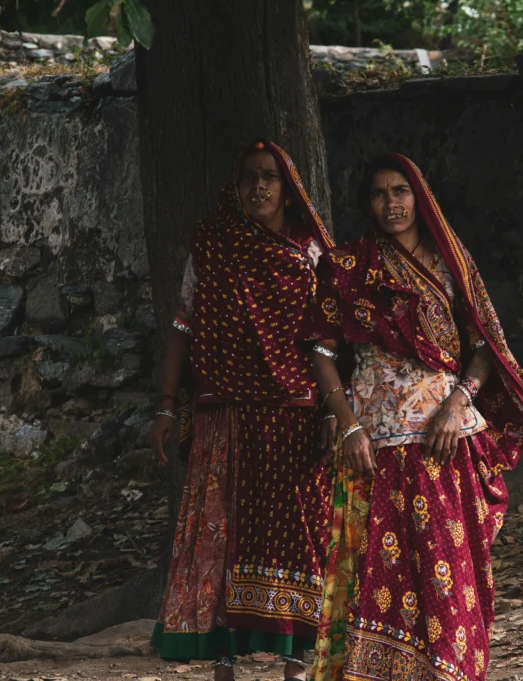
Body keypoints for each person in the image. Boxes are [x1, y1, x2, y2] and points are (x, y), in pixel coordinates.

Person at [307, 153, 523, 681]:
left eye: (400, 191)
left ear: (419, 197)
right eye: (379, 193)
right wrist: (347, 424)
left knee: (446, 570)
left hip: (443, 442)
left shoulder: (450, 263)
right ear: (365, 203)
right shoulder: (346, 267)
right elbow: (323, 353)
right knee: (379, 572)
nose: (391, 202)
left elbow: (482, 344)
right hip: (371, 445)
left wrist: (458, 402)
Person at [148, 140, 336, 681]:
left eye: (270, 177)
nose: (259, 187)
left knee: (298, 532)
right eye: (250, 177)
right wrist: (166, 406)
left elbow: (331, 337)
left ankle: (296, 656)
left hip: (294, 410)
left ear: (287, 187)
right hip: (223, 410)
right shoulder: (212, 245)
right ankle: (224, 658)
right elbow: (183, 328)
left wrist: (331, 412)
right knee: (222, 531)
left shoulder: (309, 251)